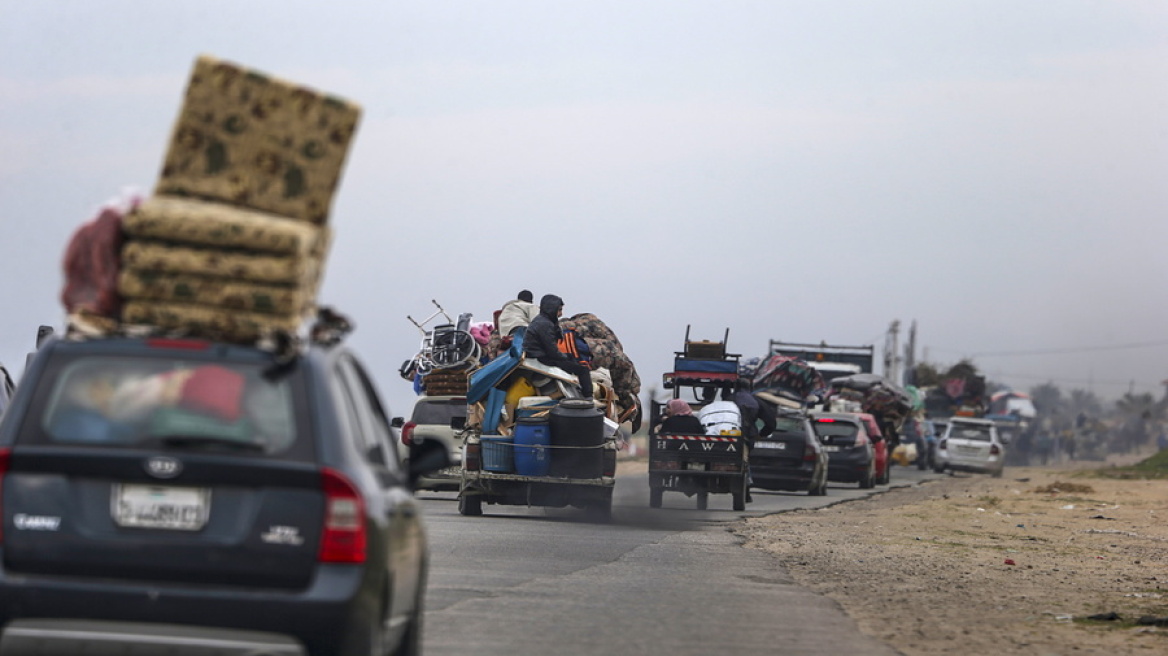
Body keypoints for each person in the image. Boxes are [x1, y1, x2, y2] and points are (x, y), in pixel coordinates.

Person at [523, 294, 593, 399]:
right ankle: (588, 398)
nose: (561, 313)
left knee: (571, 360)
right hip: (542, 358)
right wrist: (566, 357)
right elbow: (552, 351)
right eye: (559, 310)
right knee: (583, 370)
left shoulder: (543, 320)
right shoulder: (544, 324)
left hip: (540, 355)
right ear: (551, 309)